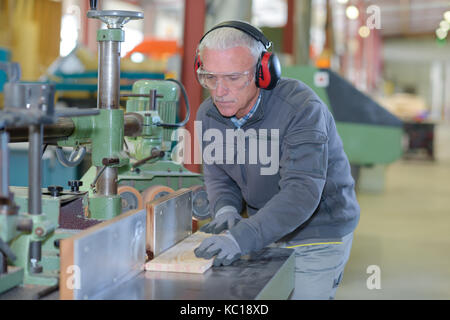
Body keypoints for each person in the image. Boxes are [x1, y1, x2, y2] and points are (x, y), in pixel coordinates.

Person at [193, 20, 360, 300]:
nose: (219, 91)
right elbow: (218, 173)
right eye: (210, 77)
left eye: (233, 78)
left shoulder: (302, 110)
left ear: (263, 72)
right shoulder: (209, 115)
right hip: (265, 231)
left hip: (318, 234)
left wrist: (241, 238)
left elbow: (301, 193)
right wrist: (225, 210)